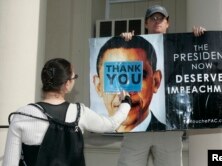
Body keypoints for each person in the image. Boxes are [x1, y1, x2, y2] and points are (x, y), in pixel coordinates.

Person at [118, 5, 205, 166]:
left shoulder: (182, 46)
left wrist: (199, 40)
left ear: (168, 23)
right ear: (146, 24)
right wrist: (123, 42)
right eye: (153, 18)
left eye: (161, 18)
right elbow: (119, 72)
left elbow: (200, 67)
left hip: (170, 127)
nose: (157, 21)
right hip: (136, 128)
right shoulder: (132, 47)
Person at [3, 58, 131, 166]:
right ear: (67, 84)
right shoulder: (80, 113)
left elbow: (9, 163)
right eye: (74, 77)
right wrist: (126, 103)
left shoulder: (22, 115)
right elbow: (111, 124)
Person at [93, 35, 167, 132]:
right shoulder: (97, 134)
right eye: (114, 78)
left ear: (155, 82)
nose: (126, 92)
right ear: (98, 86)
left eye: (137, 76)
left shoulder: (167, 132)